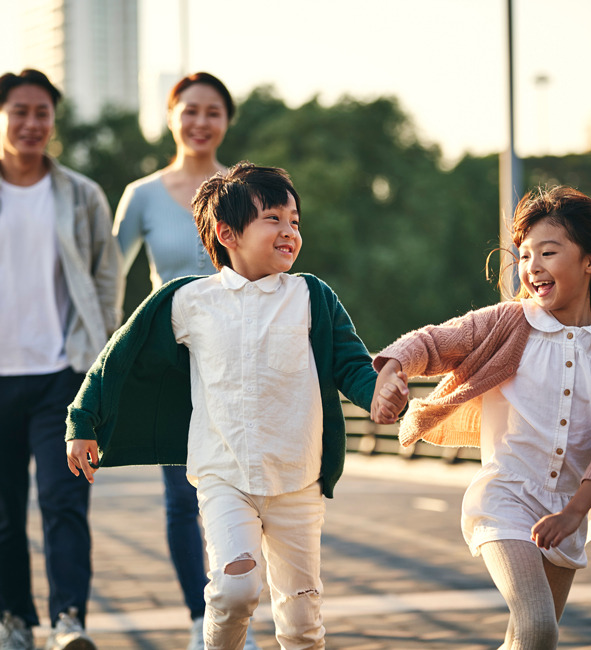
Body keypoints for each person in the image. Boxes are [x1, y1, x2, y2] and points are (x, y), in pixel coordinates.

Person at [66, 163, 406, 650]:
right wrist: (83, 420)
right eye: (273, 218)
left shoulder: (312, 296)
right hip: (224, 477)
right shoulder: (189, 301)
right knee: (233, 590)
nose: (289, 231)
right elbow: (119, 356)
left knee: (302, 619)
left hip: (298, 479)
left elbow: (351, 365)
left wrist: (379, 393)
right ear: (227, 233)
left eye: (295, 221)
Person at [371, 185, 591, 650]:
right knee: (540, 628)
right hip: (506, 497)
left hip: (569, 506)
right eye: (524, 255)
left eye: (548, 252)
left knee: (527, 641)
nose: (532, 266)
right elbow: (434, 341)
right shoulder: (510, 323)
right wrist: (394, 369)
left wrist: (574, 511)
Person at [112, 71, 240, 650]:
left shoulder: (246, 188)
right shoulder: (141, 194)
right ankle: (201, 620)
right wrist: (113, 359)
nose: (200, 121)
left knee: (243, 489)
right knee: (180, 498)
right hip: (171, 361)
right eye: (190, 110)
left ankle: (237, 614)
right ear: (171, 117)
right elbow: (108, 279)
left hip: (241, 357)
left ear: (226, 121)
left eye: (212, 111)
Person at [0, 70, 123, 650]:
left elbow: (106, 278)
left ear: (53, 120)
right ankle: (14, 621)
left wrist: (97, 362)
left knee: (64, 502)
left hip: (63, 376)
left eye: (42, 113)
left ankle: (68, 621)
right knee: (2, 514)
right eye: (19, 111)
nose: (31, 124)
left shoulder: (81, 194)